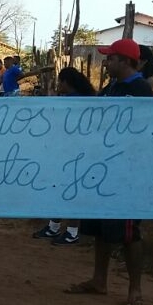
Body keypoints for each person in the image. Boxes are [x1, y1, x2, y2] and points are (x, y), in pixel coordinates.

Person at [65, 37, 152, 305]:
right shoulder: (112, 87)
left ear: (125, 61)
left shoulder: (140, 90)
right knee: (100, 227)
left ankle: (135, 289)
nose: (106, 62)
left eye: (111, 58)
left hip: (126, 171)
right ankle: (99, 280)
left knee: (128, 232)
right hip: (102, 167)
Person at [31, 67, 96, 245]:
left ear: (67, 83)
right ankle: (55, 226)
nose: (59, 85)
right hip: (67, 151)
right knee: (62, 189)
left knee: (70, 191)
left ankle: (72, 231)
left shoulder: (73, 102)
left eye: (60, 81)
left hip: (74, 153)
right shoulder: (85, 100)